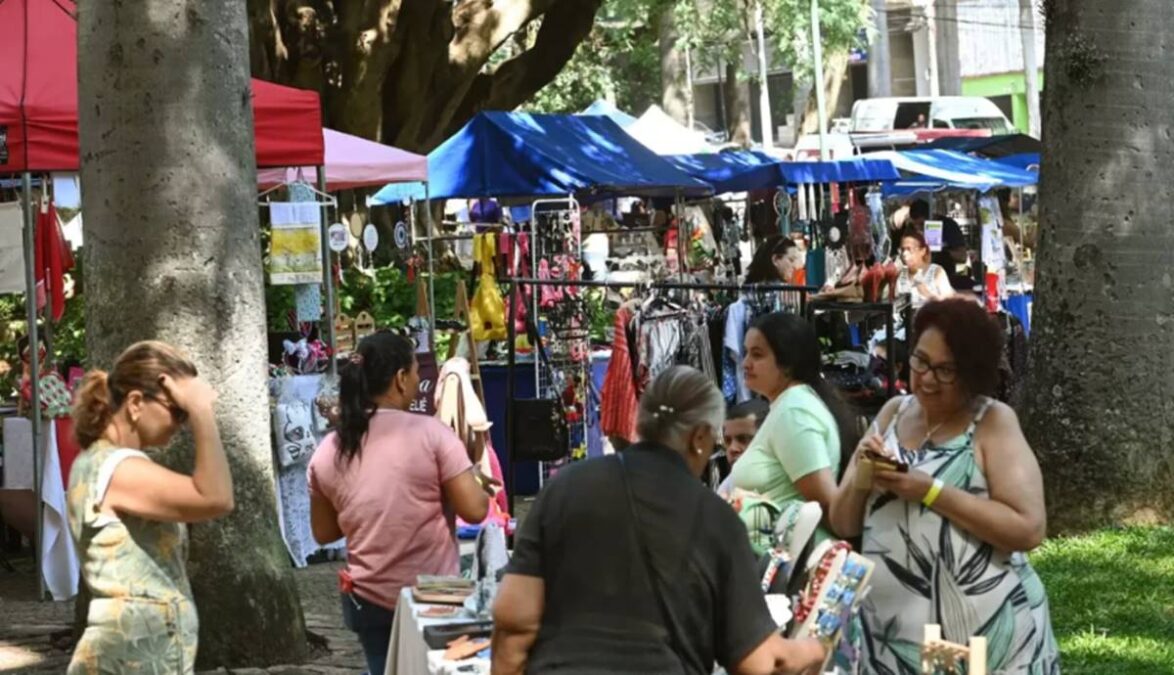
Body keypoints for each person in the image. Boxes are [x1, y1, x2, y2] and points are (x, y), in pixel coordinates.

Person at [492, 366, 827, 675]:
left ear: (640, 423)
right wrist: (814, 649)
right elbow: (759, 662)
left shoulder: (563, 489)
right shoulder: (717, 519)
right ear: (699, 438)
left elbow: (513, 624)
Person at [829, 299, 1059, 673]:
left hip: (977, 631)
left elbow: (1028, 528)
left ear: (972, 373)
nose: (927, 378)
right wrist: (862, 473)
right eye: (920, 361)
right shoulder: (893, 413)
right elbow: (843, 523)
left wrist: (930, 491)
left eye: (945, 370)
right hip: (891, 633)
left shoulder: (991, 422)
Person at [307, 332, 491, 675]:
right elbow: (476, 510)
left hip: (366, 597)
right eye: (415, 371)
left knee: (384, 668)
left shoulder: (328, 449)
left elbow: (324, 532)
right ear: (400, 378)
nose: (420, 379)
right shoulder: (433, 435)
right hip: (432, 597)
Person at [67, 341, 233, 674]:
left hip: (131, 651)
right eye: (178, 410)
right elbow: (216, 497)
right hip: (135, 655)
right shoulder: (119, 468)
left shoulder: (96, 461)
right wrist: (202, 411)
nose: (181, 422)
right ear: (136, 402)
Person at [731, 313, 858, 542]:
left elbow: (827, 507)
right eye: (746, 352)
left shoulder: (794, 411)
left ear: (787, 363)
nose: (745, 363)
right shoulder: (788, 406)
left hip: (795, 564)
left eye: (757, 354)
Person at [908, 199, 972, 292]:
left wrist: (941, 251)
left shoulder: (948, 226)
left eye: (922, 224)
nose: (919, 228)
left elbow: (962, 256)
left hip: (945, 280)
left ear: (932, 217)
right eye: (915, 225)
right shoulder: (911, 229)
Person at [716, 400, 770, 499]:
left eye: (743, 439)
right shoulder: (726, 488)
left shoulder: (796, 481)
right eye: (727, 440)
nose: (732, 448)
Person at [899, 230, 954, 309]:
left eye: (909, 249)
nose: (904, 254)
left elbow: (950, 304)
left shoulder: (936, 272)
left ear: (923, 251)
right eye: (902, 250)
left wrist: (926, 293)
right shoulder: (900, 273)